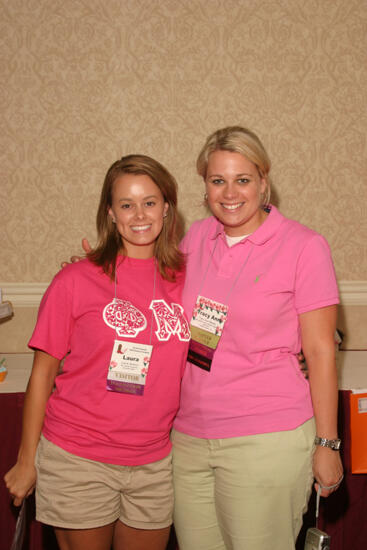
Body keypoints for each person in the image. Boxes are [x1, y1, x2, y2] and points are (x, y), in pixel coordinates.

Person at [4, 155, 190, 550]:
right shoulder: (75, 279)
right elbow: (42, 375)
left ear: (167, 207)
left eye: (150, 202)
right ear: (110, 213)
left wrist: (305, 352)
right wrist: (26, 460)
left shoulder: (189, 278)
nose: (139, 214)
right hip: (78, 458)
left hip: (155, 462)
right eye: (126, 204)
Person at [170, 126, 343, 550]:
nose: (230, 192)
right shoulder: (194, 239)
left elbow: (321, 350)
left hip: (266, 438)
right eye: (217, 180)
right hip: (187, 441)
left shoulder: (304, 246)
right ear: (205, 185)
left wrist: (327, 443)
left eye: (242, 179)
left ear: (264, 182)